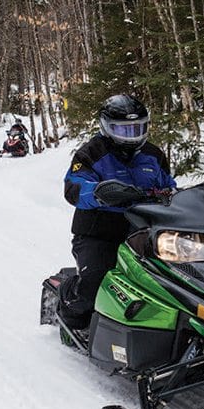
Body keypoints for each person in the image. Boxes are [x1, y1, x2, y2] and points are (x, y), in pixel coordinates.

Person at [60, 94, 176, 330]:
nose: (131, 136)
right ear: (106, 127)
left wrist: (172, 196)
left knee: (179, 277)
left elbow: (169, 186)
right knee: (95, 282)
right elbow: (74, 187)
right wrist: (98, 192)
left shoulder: (154, 155)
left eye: (137, 129)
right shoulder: (91, 153)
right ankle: (68, 301)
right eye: (124, 130)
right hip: (99, 232)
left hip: (146, 231)